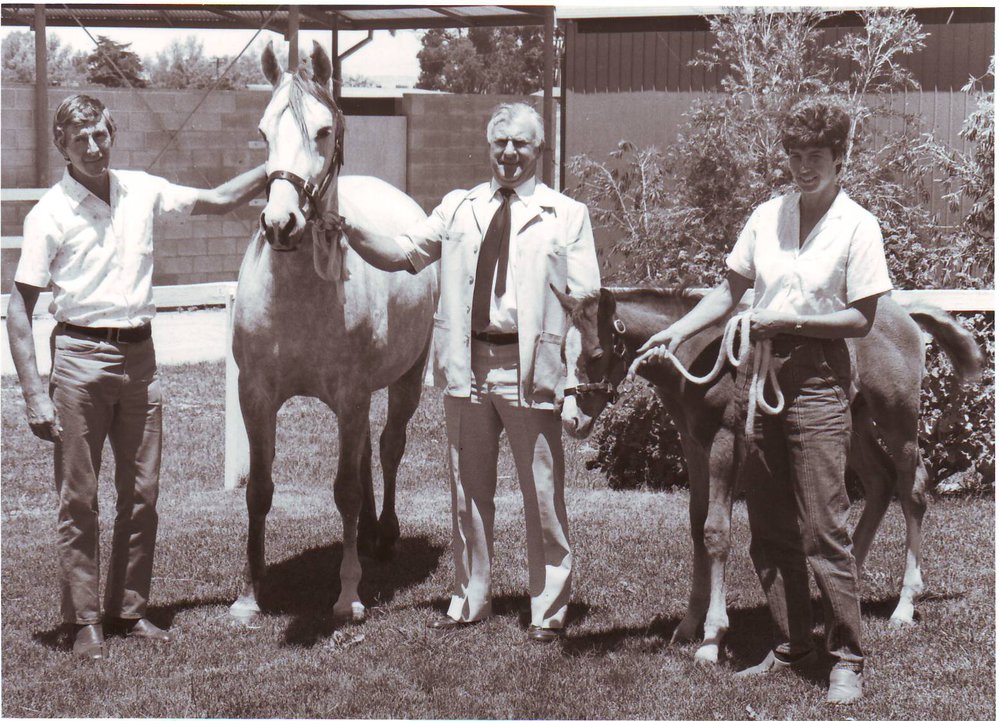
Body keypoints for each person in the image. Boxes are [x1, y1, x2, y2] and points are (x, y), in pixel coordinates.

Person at [636, 100, 891, 704]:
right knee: (769, 524)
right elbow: (728, 294)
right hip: (758, 377)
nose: (804, 167)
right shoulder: (766, 216)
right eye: (796, 156)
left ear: (840, 159)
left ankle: (846, 656)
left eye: (817, 157)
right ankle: (794, 640)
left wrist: (781, 316)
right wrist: (675, 331)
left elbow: (862, 317)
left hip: (820, 377)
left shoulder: (859, 226)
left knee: (824, 524)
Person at [6, 94, 267, 661]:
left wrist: (282, 166)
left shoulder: (140, 188)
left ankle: (128, 609)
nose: (96, 148)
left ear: (111, 132)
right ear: (62, 147)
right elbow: (19, 309)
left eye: (102, 135)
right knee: (79, 501)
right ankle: (83, 623)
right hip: (79, 360)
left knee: (142, 494)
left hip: (141, 358)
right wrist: (33, 395)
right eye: (82, 140)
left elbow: (220, 200)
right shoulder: (49, 213)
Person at [342, 102, 600, 642]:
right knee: (467, 493)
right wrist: (346, 227)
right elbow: (404, 254)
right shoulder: (459, 208)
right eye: (500, 142)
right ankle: (470, 599)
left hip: (532, 367)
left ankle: (547, 609)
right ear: (489, 146)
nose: (509, 153)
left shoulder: (566, 214)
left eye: (521, 144)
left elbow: (584, 304)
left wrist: (576, 385)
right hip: (469, 366)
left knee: (543, 493)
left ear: (540, 149)